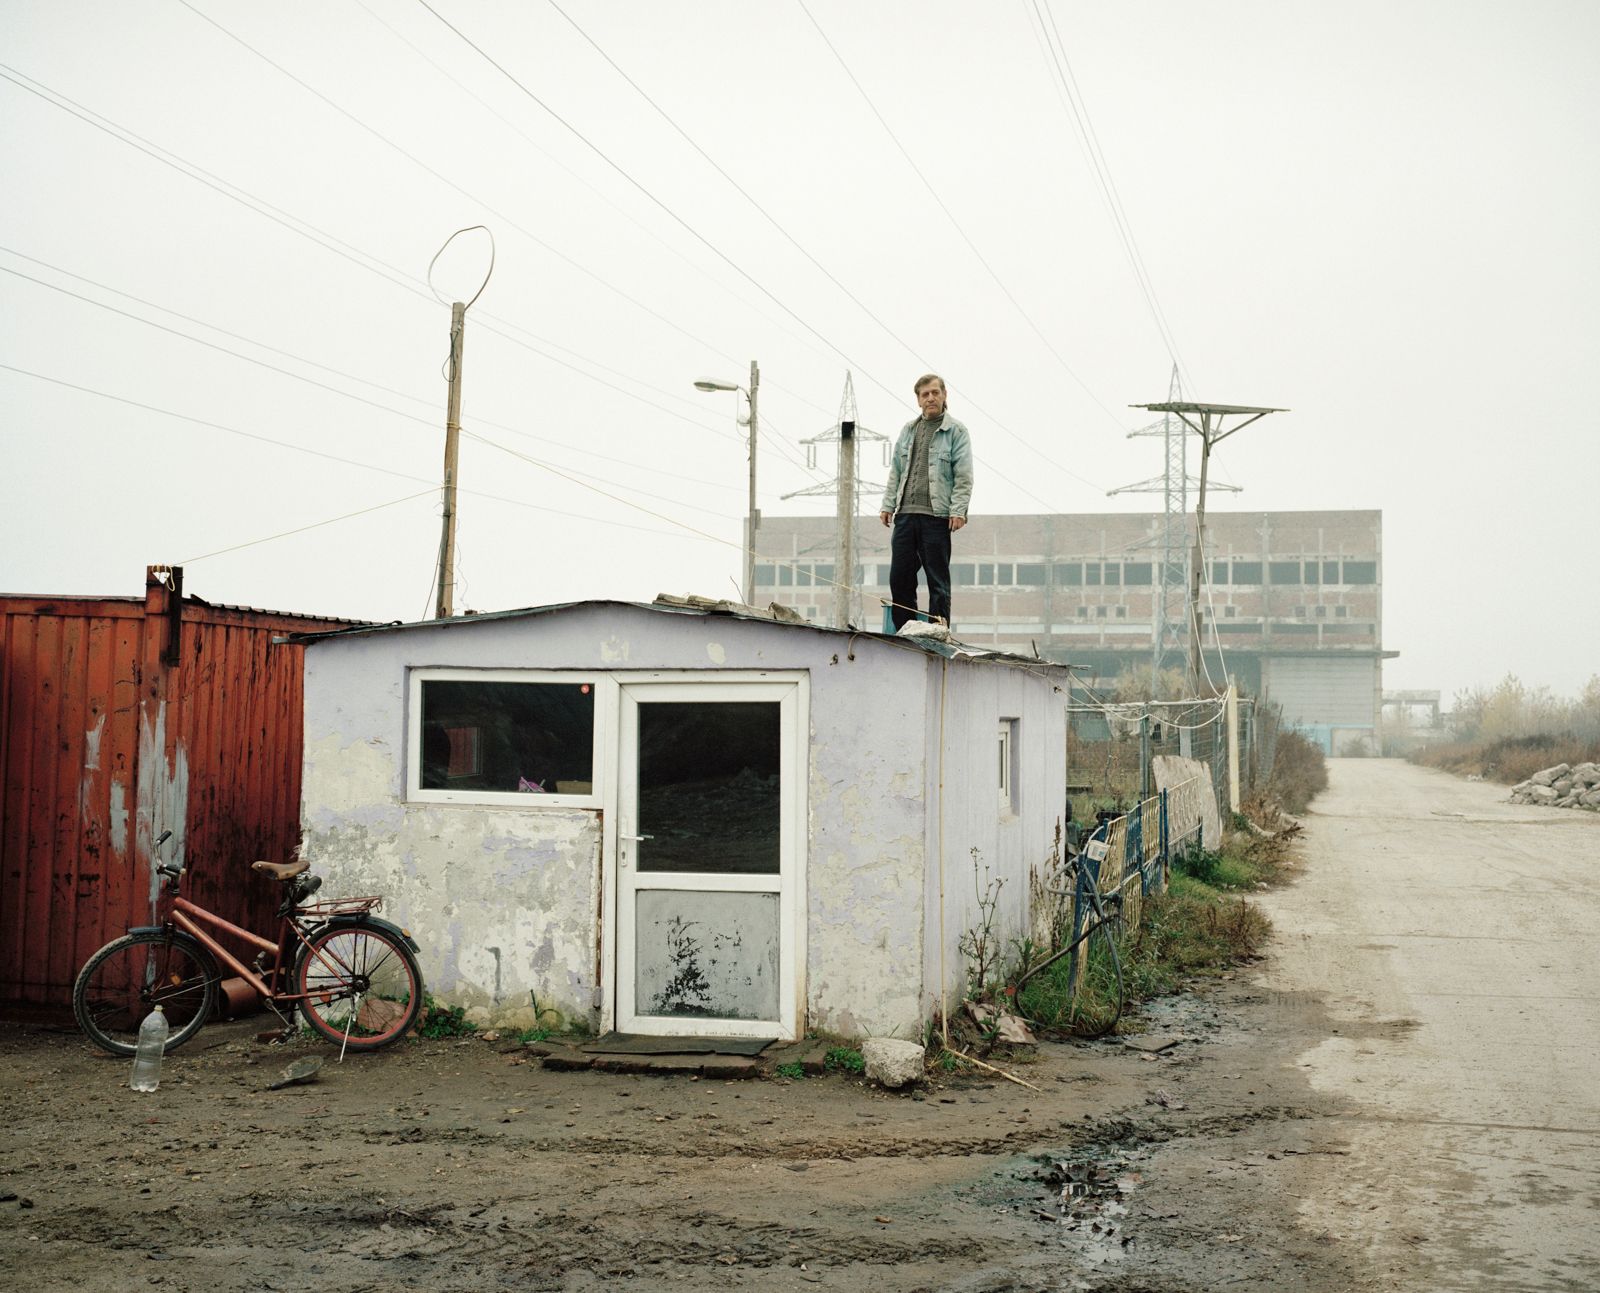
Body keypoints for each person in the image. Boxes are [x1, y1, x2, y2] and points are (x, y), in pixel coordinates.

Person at [878, 373, 974, 631]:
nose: (930, 398)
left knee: (937, 581)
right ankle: (904, 631)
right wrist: (888, 504)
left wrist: (958, 510)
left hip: (937, 517)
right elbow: (896, 470)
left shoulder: (956, 431)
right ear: (918, 400)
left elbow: (963, 475)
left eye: (935, 393)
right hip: (906, 515)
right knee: (900, 578)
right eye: (925, 394)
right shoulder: (908, 430)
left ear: (944, 396)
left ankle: (937, 631)